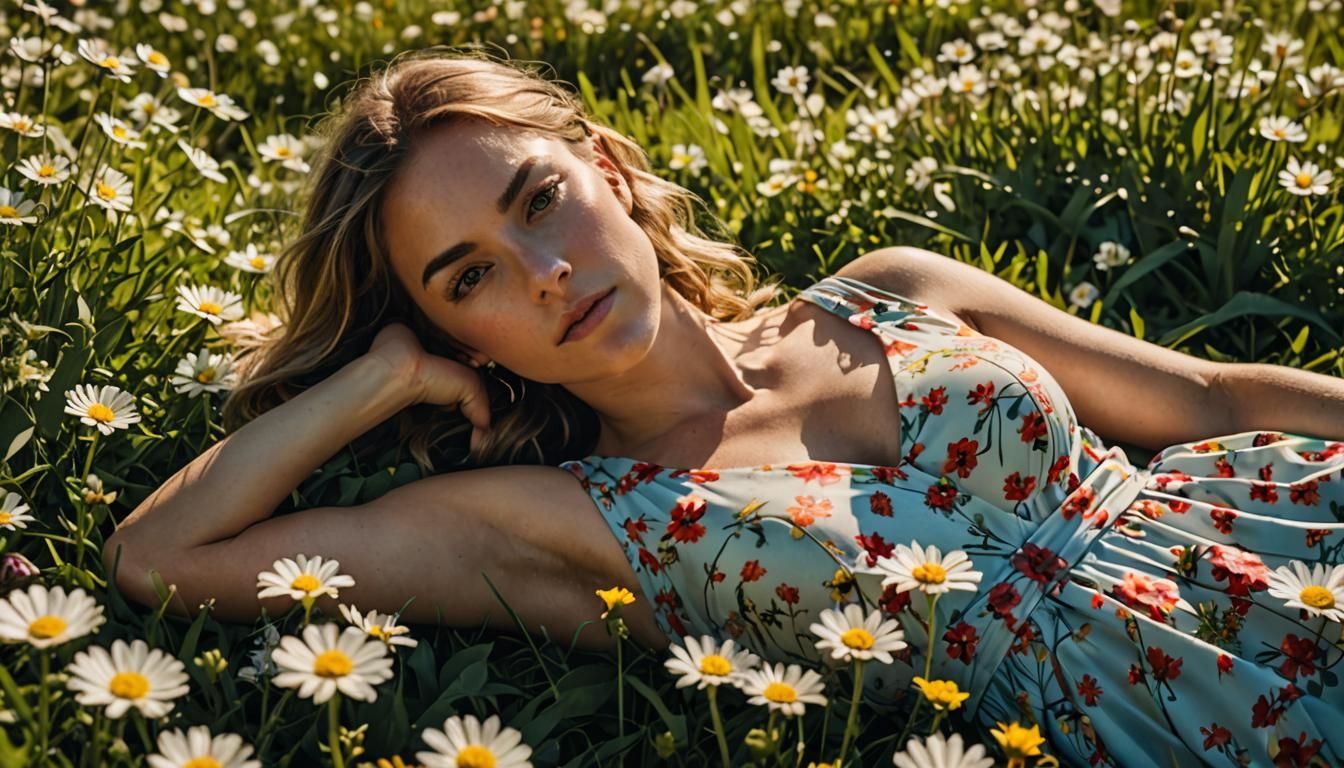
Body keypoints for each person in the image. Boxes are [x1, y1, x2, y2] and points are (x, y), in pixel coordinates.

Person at [106, 50, 1344, 767]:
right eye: (469, 276)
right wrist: (379, 378)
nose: (542, 275)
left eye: (539, 200)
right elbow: (162, 558)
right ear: (451, 331)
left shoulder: (889, 292)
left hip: (1297, 529)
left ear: (606, 166)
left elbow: (1202, 394)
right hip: (1175, 720)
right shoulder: (562, 521)